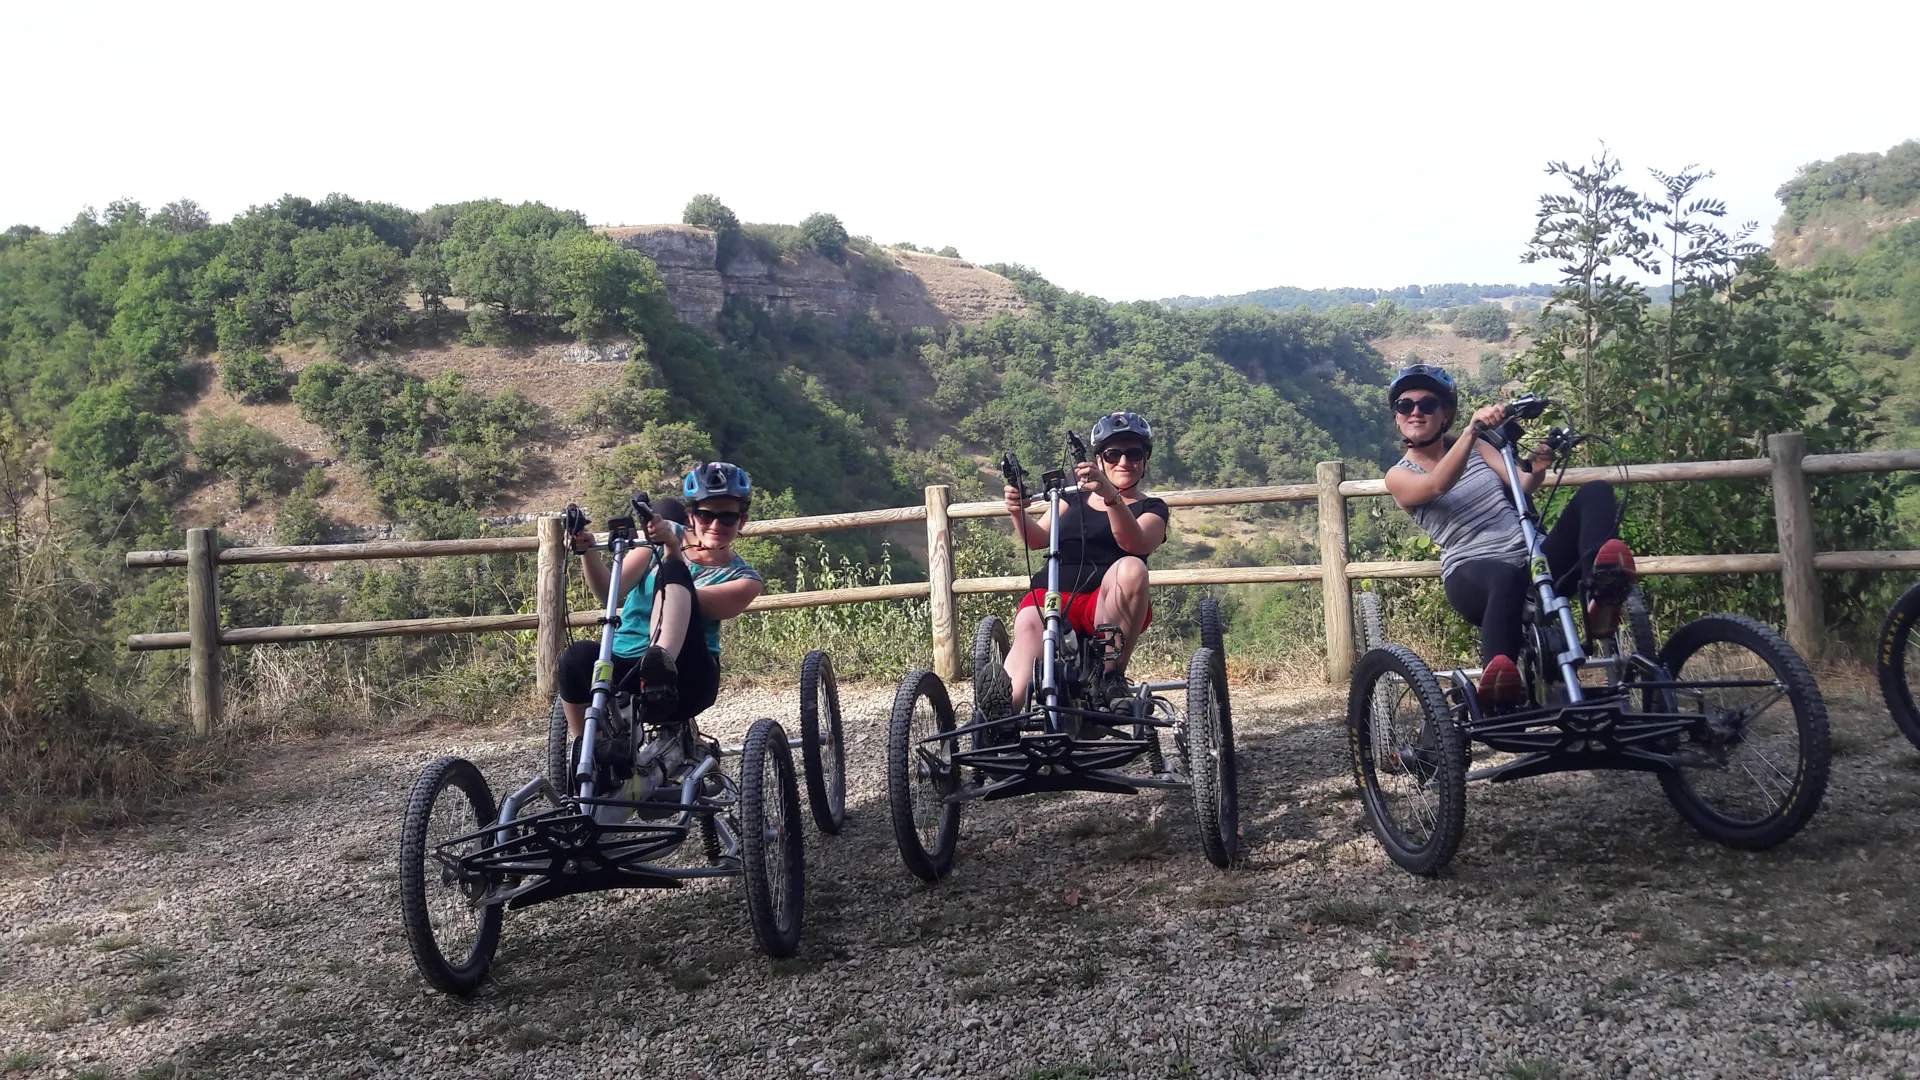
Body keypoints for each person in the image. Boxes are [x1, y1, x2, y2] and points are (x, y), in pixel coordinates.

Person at [1381, 364, 1636, 707]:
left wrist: (1537, 463)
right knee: (1504, 576)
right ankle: (1497, 679)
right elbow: (1437, 484)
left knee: (1597, 492)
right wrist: (1473, 431)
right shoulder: (1399, 475)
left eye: (1427, 405)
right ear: (1396, 417)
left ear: (1445, 415)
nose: (1415, 412)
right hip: (1473, 572)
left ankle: (1599, 593)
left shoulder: (1478, 448)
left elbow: (1522, 482)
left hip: (1533, 557)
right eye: (1405, 406)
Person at [555, 462, 765, 741]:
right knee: (575, 657)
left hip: (687, 677)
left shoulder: (745, 579)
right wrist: (586, 551)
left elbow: (687, 596)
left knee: (674, 576)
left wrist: (672, 550)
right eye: (705, 516)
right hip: (626, 665)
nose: (716, 525)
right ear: (691, 516)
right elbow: (609, 592)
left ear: (743, 520)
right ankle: (587, 750)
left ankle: (658, 666)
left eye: (727, 518)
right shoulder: (660, 538)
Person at [1002, 411, 1170, 708]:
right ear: (1099, 459)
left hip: (1106, 603)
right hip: (1052, 596)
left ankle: (1110, 678)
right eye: (1113, 454)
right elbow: (1037, 539)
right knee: (1028, 633)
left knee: (1132, 567)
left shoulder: (1151, 507)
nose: (1123, 462)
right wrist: (1017, 511)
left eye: (1133, 454)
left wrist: (1111, 497)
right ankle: (999, 715)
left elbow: (1134, 543)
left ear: (1145, 459)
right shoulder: (1070, 498)